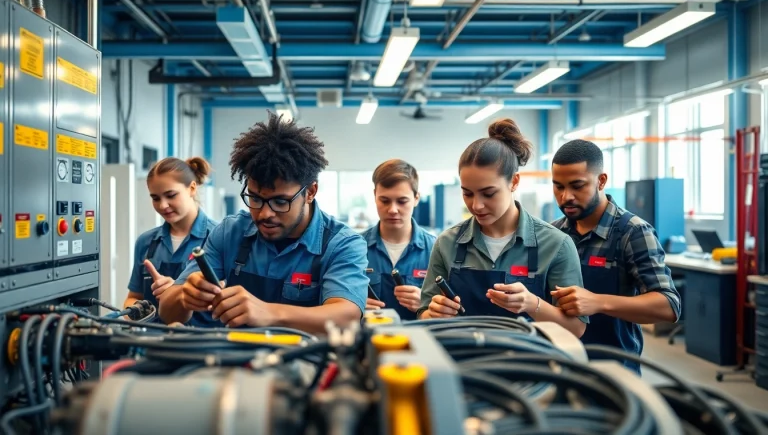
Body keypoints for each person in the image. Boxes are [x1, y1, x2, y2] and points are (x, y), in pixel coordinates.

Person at [158, 111, 368, 333]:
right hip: (234, 361)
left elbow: (347, 317)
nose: (265, 213)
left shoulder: (342, 244)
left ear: (310, 192)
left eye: (280, 201)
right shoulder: (230, 233)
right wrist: (184, 296)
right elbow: (166, 309)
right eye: (255, 198)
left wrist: (269, 312)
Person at [416, 119, 588, 338]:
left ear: (514, 181)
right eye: (467, 193)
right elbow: (423, 313)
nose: (476, 205)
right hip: (462, 364)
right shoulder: (447, 243)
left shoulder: (556, 245)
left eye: (488, 193)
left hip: (530, 368)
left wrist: (532, 304)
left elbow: (576, 328)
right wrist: (434, 314)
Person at [549, 139, 681, 373]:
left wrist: (598, 302)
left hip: (614, 370)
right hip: (561, 366)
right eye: (558, 186)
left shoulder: (633, 232)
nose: (566, 196)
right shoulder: (554, 234)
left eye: (577, 186)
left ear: (601, 181)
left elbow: (668, 306)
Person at [124, 157, 218, 311]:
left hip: (202, 334)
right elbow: (133, 298)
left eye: (171, 195)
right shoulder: (146, 242)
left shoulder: (219, 237)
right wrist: (136, 311)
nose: (163, 205)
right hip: (152, 334)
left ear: (192, 188)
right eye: (155, 198)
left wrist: (176, 293)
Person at [362, 159, 436, 320]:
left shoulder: (436, 249)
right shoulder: (355, 248)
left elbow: (451, 311)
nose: (393, 210)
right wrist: (353, 306)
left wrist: (427, 305)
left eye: (402, 201)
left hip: (421, 341)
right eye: (385, 200)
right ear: (375, 196)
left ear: (416, 198)